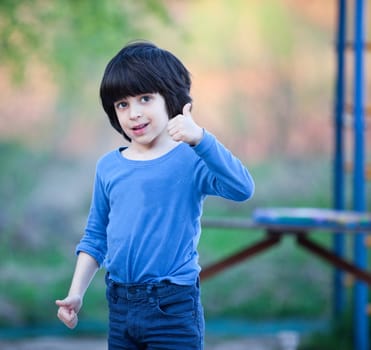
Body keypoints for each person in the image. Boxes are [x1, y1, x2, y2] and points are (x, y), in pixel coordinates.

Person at [55, 41, 255, 350]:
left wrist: (201, 138)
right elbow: (95, 236)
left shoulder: (191, 159)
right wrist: (76, 293)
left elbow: (242, 188)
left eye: (145, 99)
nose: (133, 113)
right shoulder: (109, 167)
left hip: (172, 307)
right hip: (120, 306)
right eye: (122, 104)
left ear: (171, 99)